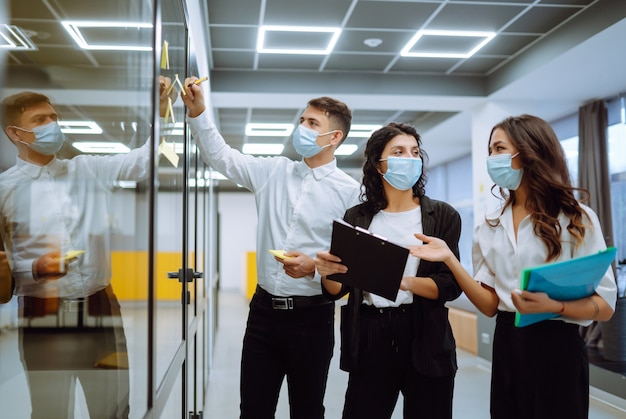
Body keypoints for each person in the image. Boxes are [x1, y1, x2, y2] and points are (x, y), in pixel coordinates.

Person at [409, 114, 617, 419]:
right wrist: (450, 260)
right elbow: (490, 305)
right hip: (508, 344)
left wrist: (554, 305)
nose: (491, 158)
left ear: (529, 151)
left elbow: (605, 305)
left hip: (559, 346)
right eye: (490, 151)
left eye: (499, 149)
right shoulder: (490, 223)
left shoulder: (576, 218)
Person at [180, 77, 360, 419]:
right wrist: (200, 113)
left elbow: (350, 264)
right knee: (253, 409)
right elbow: (222, 158)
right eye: (302, 120)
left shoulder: (350, 193)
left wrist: (314, 267)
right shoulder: (274, 172)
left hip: (313, 319)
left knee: (307, 411)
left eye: (312, 123)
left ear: (334, 137)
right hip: (263, 314)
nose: (302, 127)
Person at [0, 80, 175, 418]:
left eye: (54, 116)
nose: (53, 124)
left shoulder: (85, 169)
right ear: (16, 133)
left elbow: (144, 160)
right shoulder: (5, 191)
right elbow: (2, 265)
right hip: (41, 313)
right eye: (40, 120)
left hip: (101, 309)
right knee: (50, 410)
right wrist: (35, 269)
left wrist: (161, 110)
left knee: (112, 407)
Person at [315, 122, 462, 419]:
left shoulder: (443, 215)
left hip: (425, 332)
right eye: (399, 152)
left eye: (415, 152)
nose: (409, 158)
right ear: (378, 164)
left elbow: (449, 285)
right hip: (370, 333)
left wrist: (402, 282)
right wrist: (327, 272)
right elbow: (338, 289)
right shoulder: (357, 217)